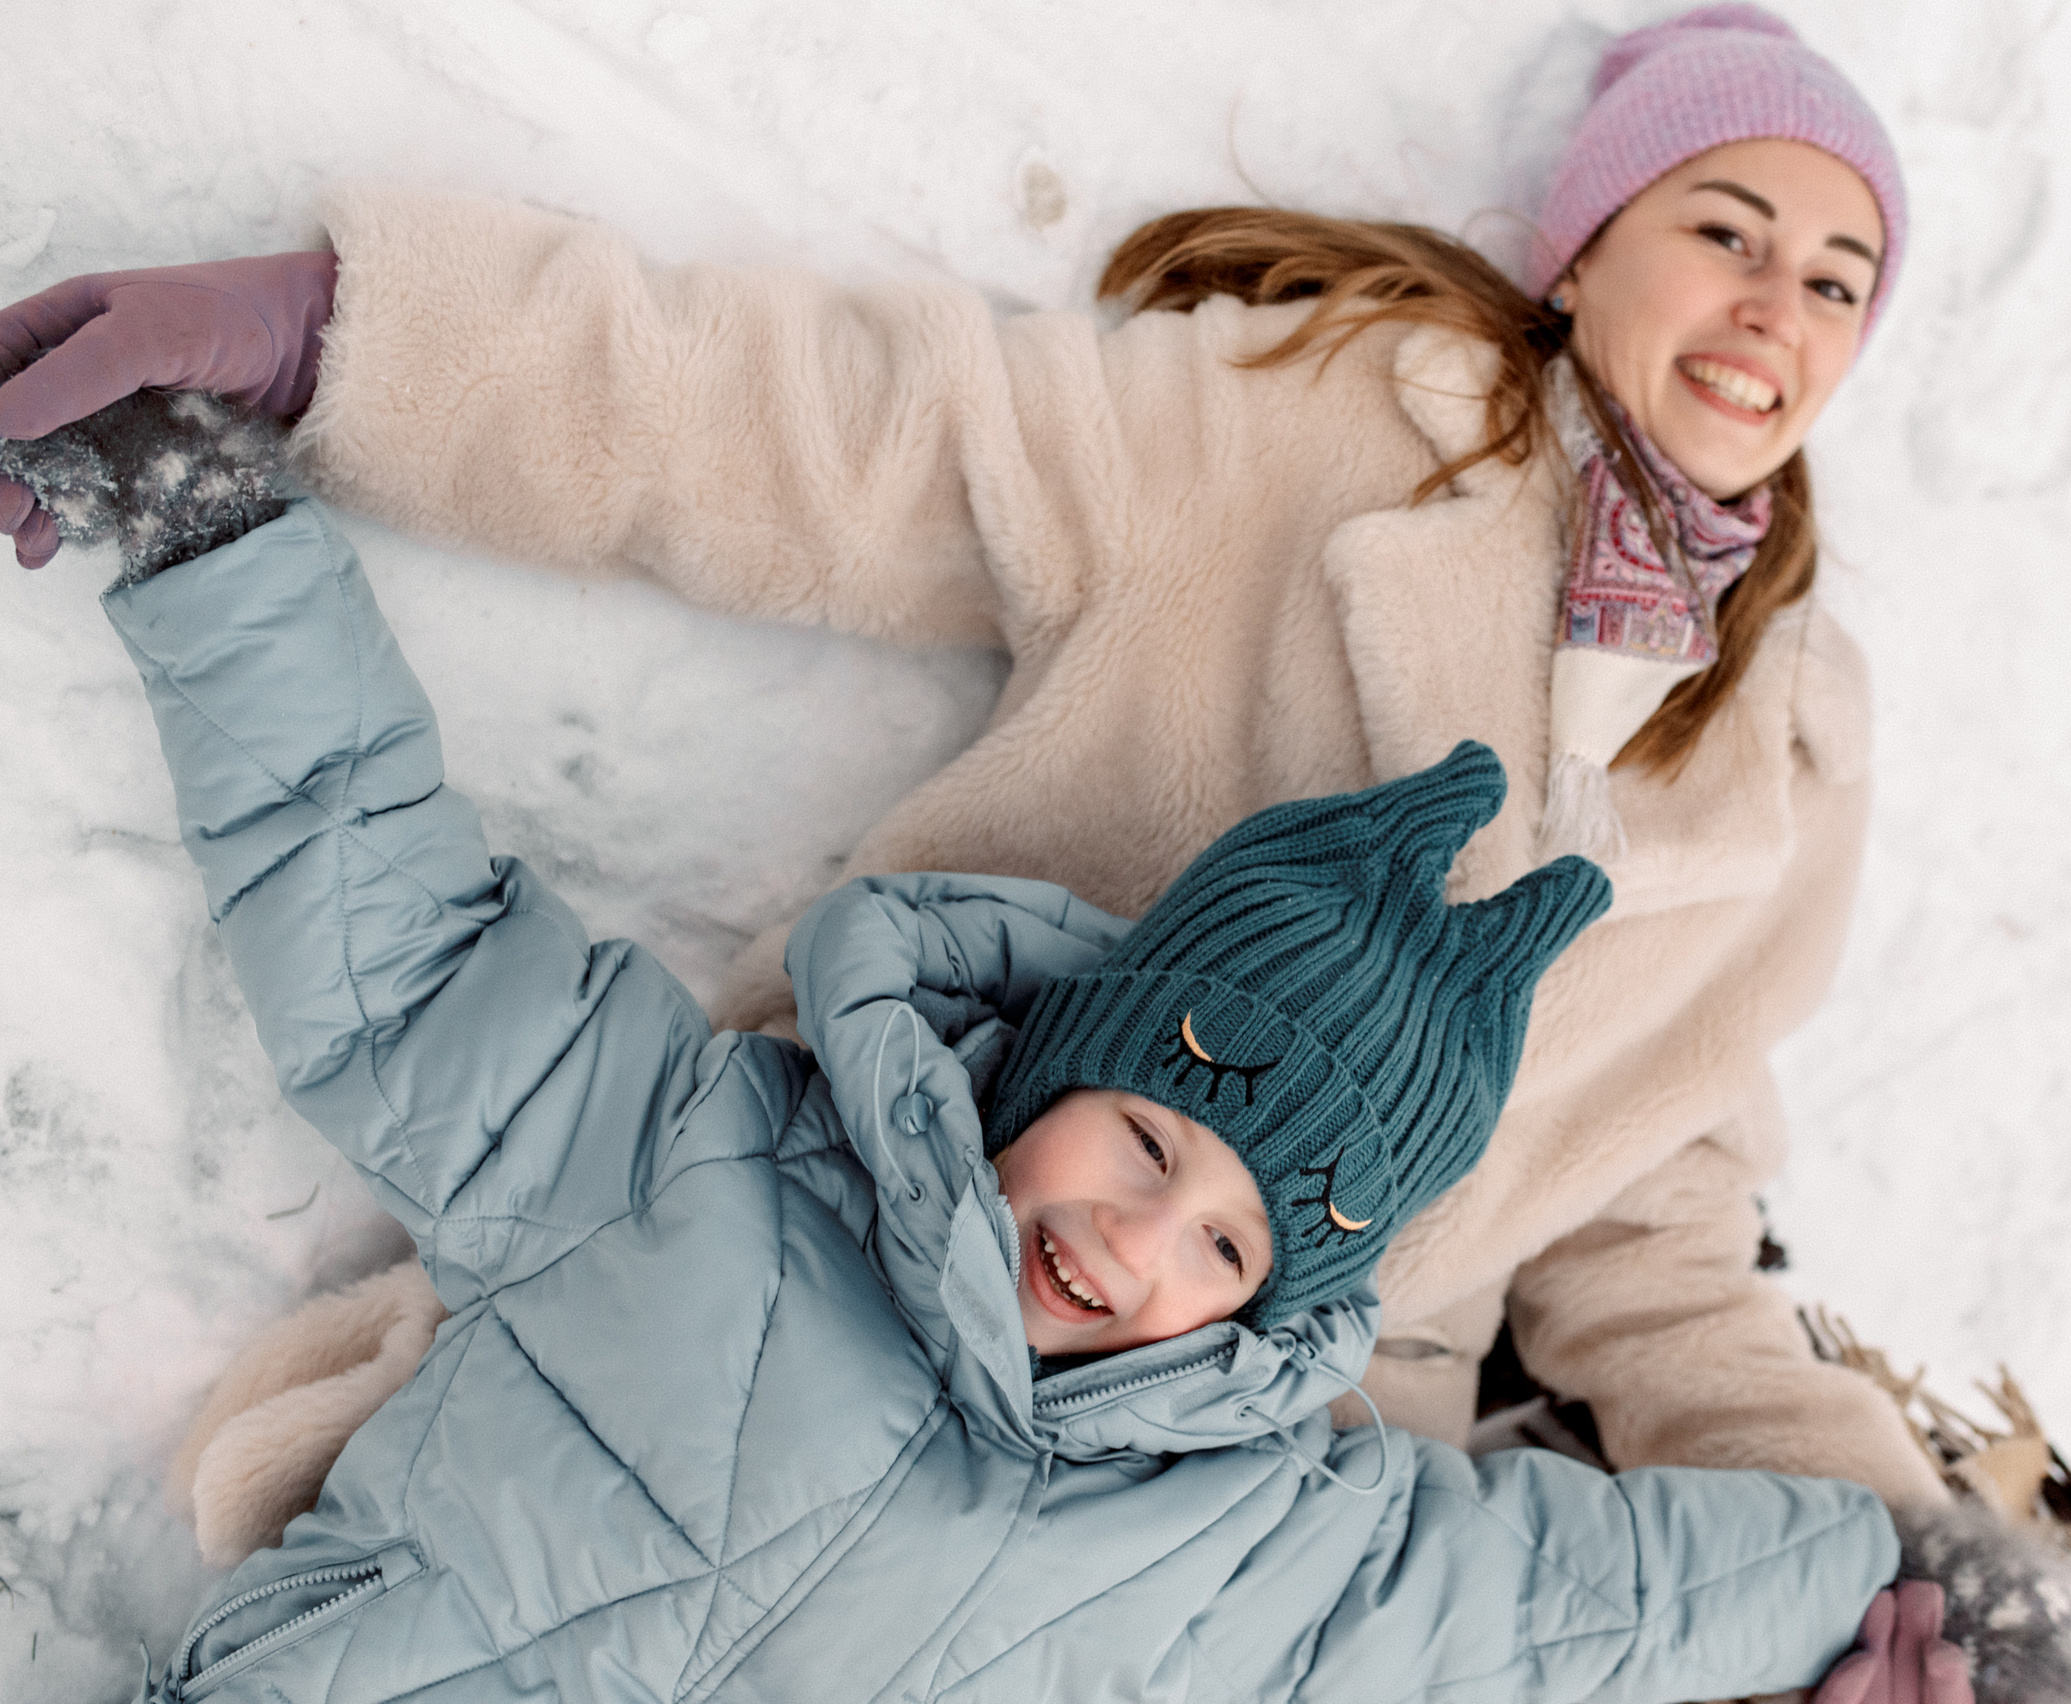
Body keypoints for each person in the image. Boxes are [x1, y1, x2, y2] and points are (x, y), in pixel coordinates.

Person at [2, 0, 1955, 1566]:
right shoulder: (1320, 437)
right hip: (871, 1268)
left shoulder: (1787, 742)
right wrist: (339, 343)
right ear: (1587, 241)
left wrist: (1898, 1572)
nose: (1775, 304)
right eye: (1725, 228)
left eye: (1836, 278)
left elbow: (1651, 1215)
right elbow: (845, 437)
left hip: (1226, 1516)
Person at [56, 434, 1971, 1700]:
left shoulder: (1260, 1544)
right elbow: (407, 948)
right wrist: (222, 552)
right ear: (1056, 1057)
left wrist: (1901, 1582)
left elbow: (1570, 1607)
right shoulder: (687, 1165)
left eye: (1233, 1249)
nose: (1144, 1239)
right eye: (1147, 1137)